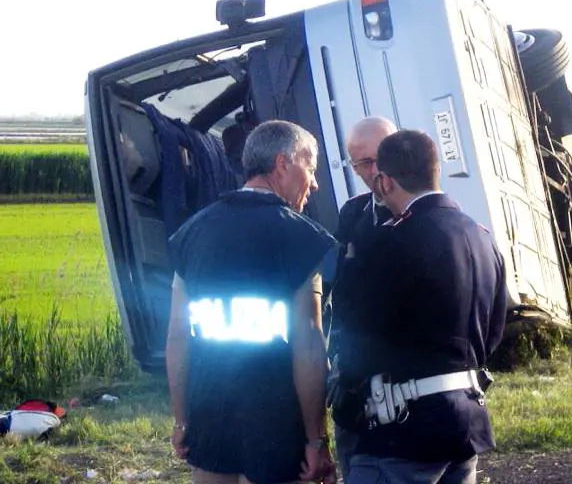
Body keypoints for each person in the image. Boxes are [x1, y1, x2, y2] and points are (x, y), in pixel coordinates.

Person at [165, 120, 338, 484]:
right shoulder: (303, 238)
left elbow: (177, 338)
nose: (314, 182)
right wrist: (315, 439)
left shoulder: (191, 233)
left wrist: (181, 419)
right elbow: (308, 346)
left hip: (210, 419)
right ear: (283, 163)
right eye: (310, 168)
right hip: (277, 423)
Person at [336, 129, 508, 484]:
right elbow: (493, 333)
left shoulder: (391, 242)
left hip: (402, 430)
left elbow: (359, 334)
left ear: (383, 181)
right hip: (464, 419)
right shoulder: (482, 237)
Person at [326, 115, 397, 480]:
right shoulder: (352, 212)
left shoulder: (431, 213)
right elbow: (340, 289)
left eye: (378, 159)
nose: (373, 171)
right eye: (362, 164)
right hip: (354, 370)